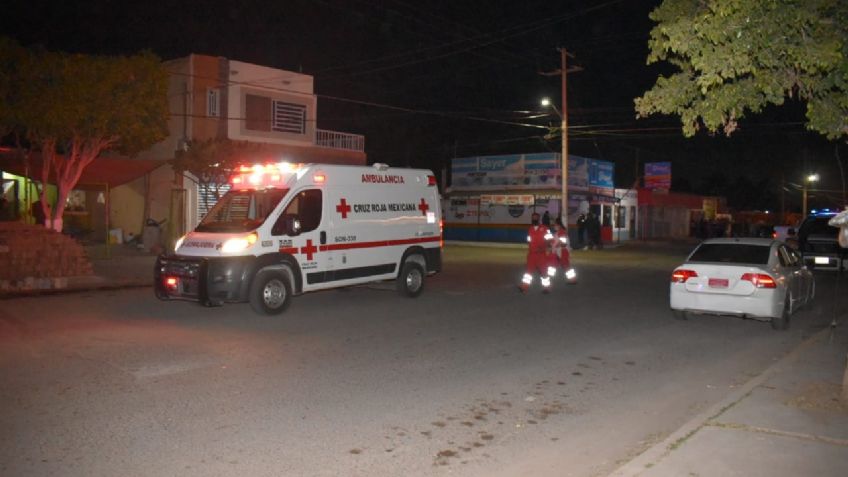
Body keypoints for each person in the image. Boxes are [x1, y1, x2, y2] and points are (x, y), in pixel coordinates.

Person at [519, 212, 553, 294]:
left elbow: (550, 239)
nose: (534, 219)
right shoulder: (530, 229)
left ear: (539, 219)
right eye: (533, 218)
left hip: (541, 254)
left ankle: (546, 288)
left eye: (535, 218)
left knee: (544, 272)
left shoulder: (544, 228)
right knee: (528, 272)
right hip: (531, 254)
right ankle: (524, 287)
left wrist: (547, 247)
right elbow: (529, 241)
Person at [548, 216, 577, 284]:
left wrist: (554, 245)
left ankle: (572, 279)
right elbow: (555, 241)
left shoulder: (561, 232)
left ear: (559, 225)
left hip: (562, 251)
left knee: (565, 266)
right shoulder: (558, 232)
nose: (554, 226)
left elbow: (562, 242)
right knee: (554, 264)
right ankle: (549, 277)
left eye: (555, 224)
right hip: (559, 251)